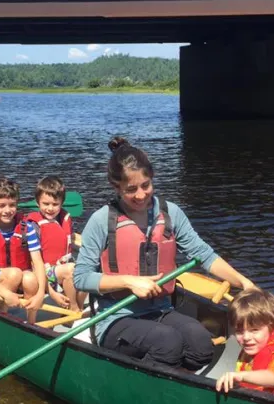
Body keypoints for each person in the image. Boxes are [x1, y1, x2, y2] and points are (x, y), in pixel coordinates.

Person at [73, 137, 258, 371]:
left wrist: (244, 283)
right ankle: (142, 386)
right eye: (131, 189)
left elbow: (204, 255)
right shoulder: (102, 220)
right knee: (168, 343)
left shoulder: (170, 214)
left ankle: (165, 376)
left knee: (201, 345)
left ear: (152, 179)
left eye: (146, 185)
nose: (140, 195)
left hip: (159, 311)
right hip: (115, 319)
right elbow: (81, 278)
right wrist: (129, 281)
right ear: (116, 187)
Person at [0, 177, 47, 324]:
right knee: (14, 273)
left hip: (19, 279)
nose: (7, 210)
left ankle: (31, 322)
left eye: (12, 205)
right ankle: (2, 315)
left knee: (31, 278)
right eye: (1, 206)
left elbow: (38, 263)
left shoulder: (28, 228)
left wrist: (40, 294)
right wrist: (6, 294)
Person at [25, 176, 85, 312]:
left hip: (62, 266)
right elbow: (34, 262)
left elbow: (69, 238)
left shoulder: (64, 218)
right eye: (45, 204)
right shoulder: (34, 226)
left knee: (87, 269)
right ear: (37, 203)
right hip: (43, 272)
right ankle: (74, 310)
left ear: (62, 203)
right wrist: (50, 291)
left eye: (55, 204)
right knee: (70, 270)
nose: (50, 208)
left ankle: (73, 311)